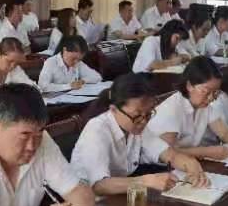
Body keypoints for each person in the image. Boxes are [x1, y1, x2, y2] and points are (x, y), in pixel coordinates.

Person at [71, 72, 209, 195]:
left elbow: (169, 154)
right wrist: (145, 181)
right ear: (113, 110)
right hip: (90, 201)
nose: (143, 121)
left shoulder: (137, 127)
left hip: (122, 194)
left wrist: (190, 164)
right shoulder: (97, 130)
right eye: (137, 115)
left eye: (148, 114)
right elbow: (99, 185)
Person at [147, 57, 228, 162]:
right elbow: (167, 153)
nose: (211, 98)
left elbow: (225, 133)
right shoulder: (172, 109)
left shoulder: (204, 106)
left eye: (216, 92)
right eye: (206, 91)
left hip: (186, 163)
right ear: (189, 86)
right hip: (158, 167)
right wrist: (207, 152)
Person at [38, 35, 102, 93]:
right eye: (73, 59)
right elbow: (43, 86)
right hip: (54, 99)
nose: (76, 62)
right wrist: (69, 86)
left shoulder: (78, 63)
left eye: (79, 59)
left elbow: (97, 77)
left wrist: (82, 81)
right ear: (64, 50)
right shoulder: (50, 62)